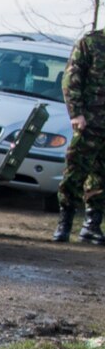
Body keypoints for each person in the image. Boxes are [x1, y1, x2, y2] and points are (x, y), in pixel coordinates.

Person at [57, 26, 104, 244]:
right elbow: (71, 77)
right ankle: (64, 223)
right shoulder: (92, 42)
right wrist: (76, 113)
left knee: (101, 177)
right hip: (90, 123)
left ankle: (91, 226)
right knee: (75, 172)